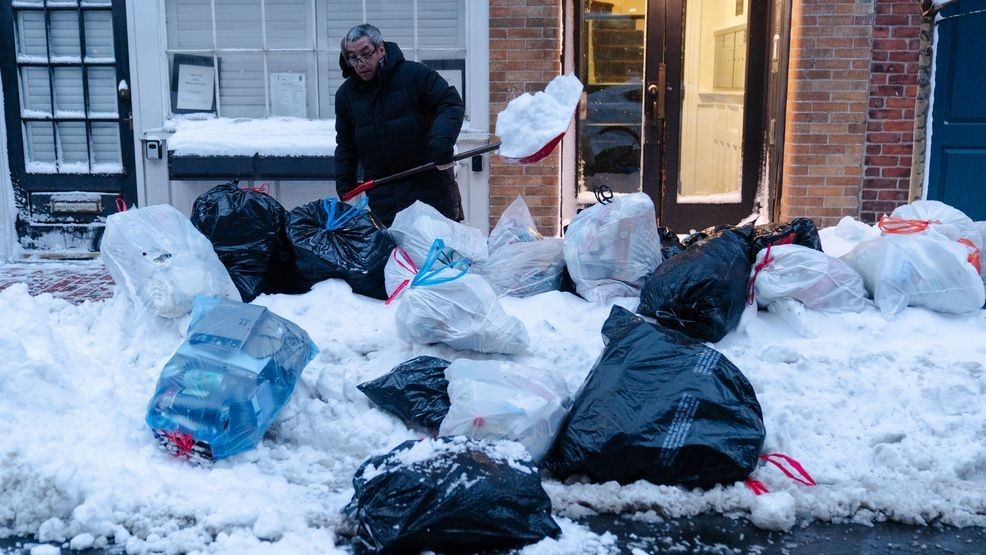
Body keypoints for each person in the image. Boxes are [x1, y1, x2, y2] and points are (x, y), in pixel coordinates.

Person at [334, 24, 465, 226]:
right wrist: (345, 177)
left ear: (381, 49)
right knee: (397, 257)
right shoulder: (346, 96)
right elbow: (346, 142)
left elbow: (449, 102)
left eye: (366, 54)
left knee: (436, 255)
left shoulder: (414, 75)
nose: (360, 63)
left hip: (430, 191)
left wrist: (442, 140)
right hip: (385, 199)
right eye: (353, 57)